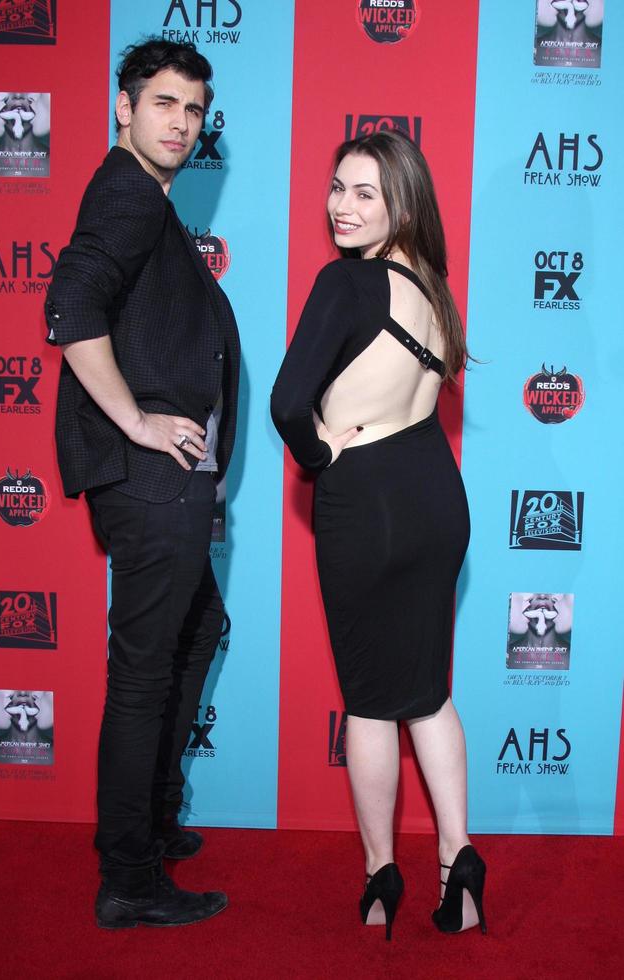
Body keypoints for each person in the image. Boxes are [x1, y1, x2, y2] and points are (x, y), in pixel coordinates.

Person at [44, 38, 240, 929]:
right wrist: (135, 421)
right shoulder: (125, 189)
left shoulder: (146, 202)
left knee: (199, 631)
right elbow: (71, 305)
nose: (181, 124)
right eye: (164, 103)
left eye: (194, 110)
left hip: (176, 480)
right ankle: (127, 875)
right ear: (124, 107)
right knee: (143, 676)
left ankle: (152, 822)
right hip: (149, 476)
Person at [271, 130, 486, 940]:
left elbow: (290, 402)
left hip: (369, 500)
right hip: (437, 495)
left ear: (402, 202)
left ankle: (378, 878)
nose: (342, 206)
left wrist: (317, 451)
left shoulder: (346, 284)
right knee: (427, 692)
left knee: (369, 703)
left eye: (366, 192)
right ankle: (459, 865)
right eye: (337, 188)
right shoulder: (433, 289)